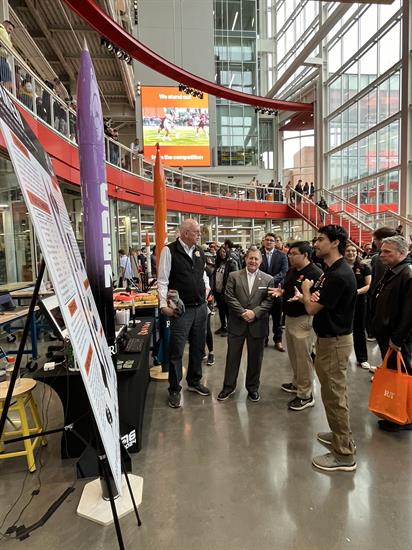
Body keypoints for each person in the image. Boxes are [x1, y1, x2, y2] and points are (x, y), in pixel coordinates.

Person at [299, 225, 357, 472]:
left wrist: (304, 291)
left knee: (334, 396)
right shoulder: (331, 271)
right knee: (334, 393)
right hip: (329, 340)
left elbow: (311, 307)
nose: (316, 243)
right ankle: (340, 436)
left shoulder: (338, 275)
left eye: (321, 239)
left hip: (335, 342)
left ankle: (344, 454)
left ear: (335, 243)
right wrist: (310, 295)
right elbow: (317, 301)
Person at [157, 219, 210, 408]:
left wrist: (207, 290)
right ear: (185, 233)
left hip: (200, 308)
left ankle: (194, 382)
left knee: (198, 347)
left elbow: (203, 274)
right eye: (196, 232)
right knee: (176, 350)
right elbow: (162, 281)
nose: (199, 235)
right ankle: (174, 389)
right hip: (182, 310)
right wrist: (164, 306)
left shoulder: (199, 251)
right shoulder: (169, 251)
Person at [270, 241, 322, 410]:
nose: (289, 256)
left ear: (305, 255)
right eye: (289, 253)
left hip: (304, 319)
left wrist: (302, 298)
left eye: (293, 253)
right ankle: (297, 382)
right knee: (293, 355)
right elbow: (289, 289)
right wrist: (282, 292)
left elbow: (317, 300)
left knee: (303, 357)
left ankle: (305, 394)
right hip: (290, 317)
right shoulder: (293, 271)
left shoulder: (315, 273)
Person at [217, 246, 273, 402]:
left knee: (256, 359)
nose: (253, 261)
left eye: (256, 259)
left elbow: (269, 302)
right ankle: (228, 387)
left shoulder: (268, 279)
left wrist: (254, 313)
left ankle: (253, 388)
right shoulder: (234, 276)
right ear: (245, 259)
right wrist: (243, 312)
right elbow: (228, 296)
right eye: (251, 258)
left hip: (257, 325)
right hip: (237, 324)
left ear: (261, 261)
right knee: (232, 357)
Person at [371, 235, 412, 432]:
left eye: (387, 252)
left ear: (402, 253)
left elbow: (409, 311)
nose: (382, 255)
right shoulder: (393, 271)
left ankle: (406, 417)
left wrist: (397, 338)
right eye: (382, 251)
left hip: (399, 338)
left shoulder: (407, 273)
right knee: (394, 375)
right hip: (387, 334)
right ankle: (395, 411)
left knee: (404, 375)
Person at [344, 244, 371, 370]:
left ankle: (362, 358)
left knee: (359, 330)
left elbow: (368, 285)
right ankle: (343, 357)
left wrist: (356, 292)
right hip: (343, 303)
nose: (351, 253)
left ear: (357, 252)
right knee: (344, 330)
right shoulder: (340, 266)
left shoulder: (364, 267)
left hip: (359, 302)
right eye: (348, 250)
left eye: (353, 250)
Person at [260, 233, 288, 351]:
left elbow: (284, 272)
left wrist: (271, 280)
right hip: (262, 291)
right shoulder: (259, 255)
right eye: (267, 240)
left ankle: (278, 341)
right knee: (263, 317)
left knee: (277, 318)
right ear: (263, 241)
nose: (269, 242)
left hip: (277, 291)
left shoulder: (282, 256)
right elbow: (256, 270)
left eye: (272, 240)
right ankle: (264, 339)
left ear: (275, 242)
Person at [0, 20, 14, 91]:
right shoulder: (2, 30)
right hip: (1, 58)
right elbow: (8, 44)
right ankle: (5, 95)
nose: (10, 31)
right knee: (7, 80)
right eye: (9, 29)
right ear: (5, 25)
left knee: (6, 79)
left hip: (3, 58)